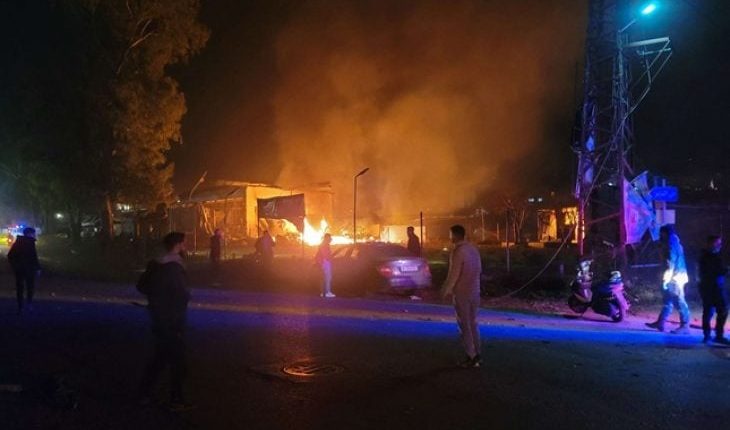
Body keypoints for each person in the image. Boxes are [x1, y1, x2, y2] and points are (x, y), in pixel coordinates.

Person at [137, 232, 192, 410]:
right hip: (172, 321)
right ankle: (176, 399)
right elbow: (181, 295)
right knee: (178, 362)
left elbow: (141, 286)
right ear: (178, 244)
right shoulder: (174, 267)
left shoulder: (156, 263)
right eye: (184, 242)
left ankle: (144, 393)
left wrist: (156, 299)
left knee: (161, 357)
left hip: (158, 318)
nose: (186, 245)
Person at [441, 224, 482, 368]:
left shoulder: (458, 252)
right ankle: (478, 353)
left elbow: (453, 275)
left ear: (455, 235)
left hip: (462, 293)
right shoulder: (473, 249)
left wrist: (445, 290)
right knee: (473, 323)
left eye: (450, 234)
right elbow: (479, 269)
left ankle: (471, 356)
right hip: (475, 291)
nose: (449, 237)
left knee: (464, 325)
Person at [646, 225, 691, 334]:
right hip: (676, 275)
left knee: (679, 301)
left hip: (675, 277)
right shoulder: (674, 243)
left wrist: (666, 279)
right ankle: (661, 322)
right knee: (668, 300)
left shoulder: (671, 245)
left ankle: (685, 325)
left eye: (661, 233)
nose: (660, 235)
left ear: (665, 234)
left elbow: (669, 263)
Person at [697, 235, 728, 343]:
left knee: (721, 310)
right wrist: (724, 271)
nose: (719, 245)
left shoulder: (715, 256)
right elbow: (712, 272)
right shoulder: (706, 257)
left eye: (720, 243)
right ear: (710, 244)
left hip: (716, 288)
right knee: (709, 311)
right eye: (717, 243)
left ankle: (717, 335)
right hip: (709, 288)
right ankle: (708, 335)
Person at [7, 227, 41, 314]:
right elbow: (33, 257)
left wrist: (15, 266)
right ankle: (28, 304)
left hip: (19, 269)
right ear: (30, 234)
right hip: (29, 269)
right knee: (30, 287)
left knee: (20, 287)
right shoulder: (31, 243)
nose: (35, 235)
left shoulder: (18, 242)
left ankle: (20, 306)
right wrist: (37, 268)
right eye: (33, 233)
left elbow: (10, 255)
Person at [315, 233, 335, 298]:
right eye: (329, 238)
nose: (330, 239)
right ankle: (327, 292)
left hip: (323, 262)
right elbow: (325, 255)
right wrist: (329, 259)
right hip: (325, 262)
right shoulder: (324, 245)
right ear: (327, 238)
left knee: (323, 278)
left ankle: (322, 292)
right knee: (328, 277)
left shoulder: (323, 244)